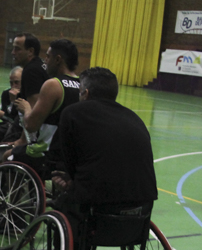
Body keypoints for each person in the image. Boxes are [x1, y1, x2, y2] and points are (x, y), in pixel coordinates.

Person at [51, 67, 158, 239]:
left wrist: (68, 180)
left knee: (62, 205)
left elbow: (69, 161)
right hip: (142, 210)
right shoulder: (134, 118)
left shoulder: (73, 113)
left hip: (99, 209)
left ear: (85, 93)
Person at [10, 39, 81, 170]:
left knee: (7, 157)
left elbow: (31, 126)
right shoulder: (82, 84)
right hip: (70, 155)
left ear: (58, 59)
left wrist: (26, 108)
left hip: (47, 153)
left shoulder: (53, 85)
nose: (45, 61)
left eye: (48, 57)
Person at [11, 32, 47, 108]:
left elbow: (34, 109)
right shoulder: (41, 64)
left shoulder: (31, 71)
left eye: (17, 49)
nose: (13, 52)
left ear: (30, 51)